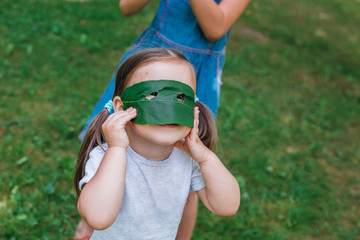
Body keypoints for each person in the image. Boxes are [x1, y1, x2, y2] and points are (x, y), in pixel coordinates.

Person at [75, 0, 249, 238]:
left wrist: (205, 157)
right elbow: (97, 217)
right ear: (121, 107)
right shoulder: (106, 156)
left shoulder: (187, 161)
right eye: (153, 95)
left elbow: (227, 206)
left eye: (180, 96)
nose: (168, 106)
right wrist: (116, 149)